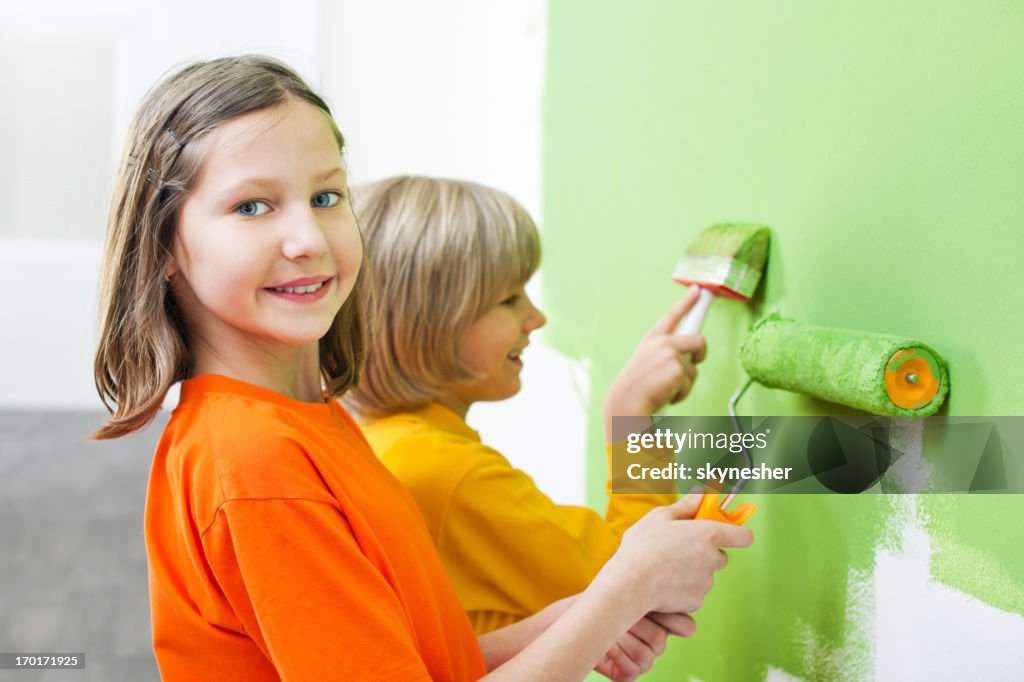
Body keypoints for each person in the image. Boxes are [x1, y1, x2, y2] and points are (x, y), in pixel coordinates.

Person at [93, 55, 752, 681]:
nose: (310, 241)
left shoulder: (306, 423)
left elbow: (406, 658)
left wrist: (570, 619)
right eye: (252, 206)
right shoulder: (258, 466)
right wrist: (621, 591)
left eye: (327, 197)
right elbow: (607, 573)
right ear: (163, 244)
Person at [347, 175, 711, 633]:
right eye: (509, 299)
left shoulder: (378, 443)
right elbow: (631, 585)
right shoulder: (447, 475)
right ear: (427, 322)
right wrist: (628, 416)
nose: (535, 319)